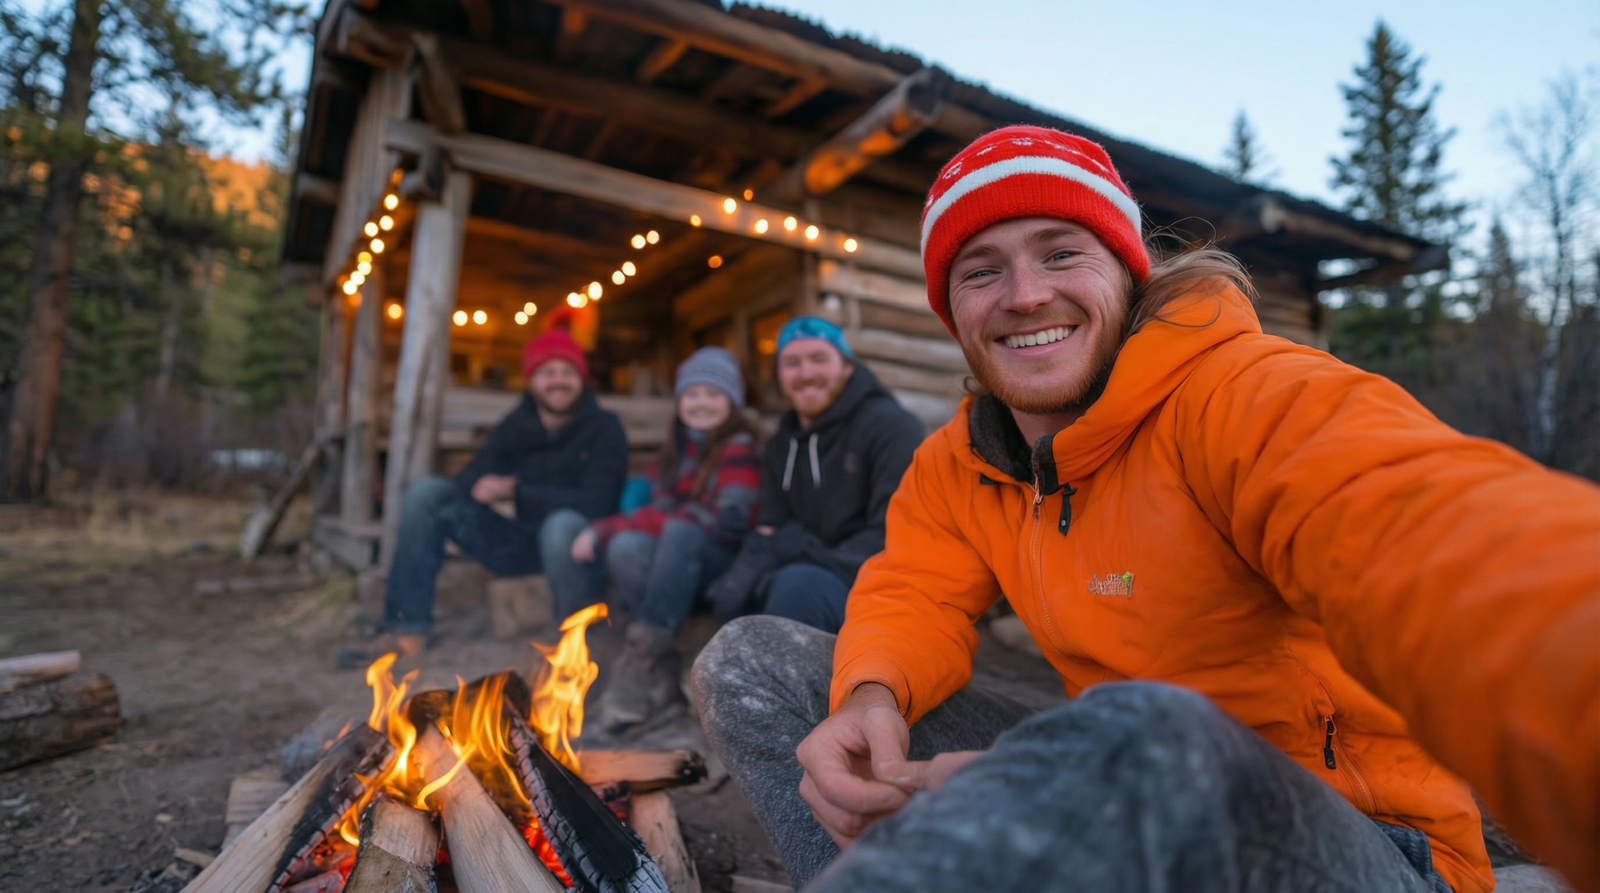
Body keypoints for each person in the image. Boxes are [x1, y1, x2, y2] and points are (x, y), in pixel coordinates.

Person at [691, 126, 1600, 893]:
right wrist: (872, 696)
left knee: (1142, 732)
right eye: (980, 270)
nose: (1026, 295)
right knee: (752, 663)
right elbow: (913, 590)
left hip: (1369, 848)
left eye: (1061, 252)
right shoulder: (958, 464)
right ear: (951, 312)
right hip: (1118, 779)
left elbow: (1440, 543)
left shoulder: (1244, 396)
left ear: (1127, 272)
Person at [338, 328, 628, 668]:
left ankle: (574, 644)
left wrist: (515, 491)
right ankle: (406, 627)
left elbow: (598, 503)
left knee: (561, 525)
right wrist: (480, 485)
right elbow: (470, 476)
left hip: (577, 550)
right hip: (519, 544)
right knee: (426, 494)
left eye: (568, 372)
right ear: (531, 380)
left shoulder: (605, 428)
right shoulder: (516, 425)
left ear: (581, 379)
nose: (558, 381)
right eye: (547, 372)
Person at [558, 346, 763, 733]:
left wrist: (604, 527)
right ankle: (659, 661)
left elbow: (726, 519)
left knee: (678, 530)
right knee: (628, 547)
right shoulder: (680, 447)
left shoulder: (740, 446)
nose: (701, 402)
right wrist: (619, 530)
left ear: (732, 401)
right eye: (692, 393)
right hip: (677, 562)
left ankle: (643, 661)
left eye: (713, 394)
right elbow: (660, 506)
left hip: (724, 563)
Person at [704, 317, 924, 634]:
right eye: (792, 363)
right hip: (808, 567)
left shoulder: (891, 427)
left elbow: (895, 536)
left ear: (847, 366)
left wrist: (800, 553)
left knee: (797, 586)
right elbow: (771, 524)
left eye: (819, 359)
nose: (805, 373)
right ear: (779, 375)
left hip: (878, 581)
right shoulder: (782, 442)